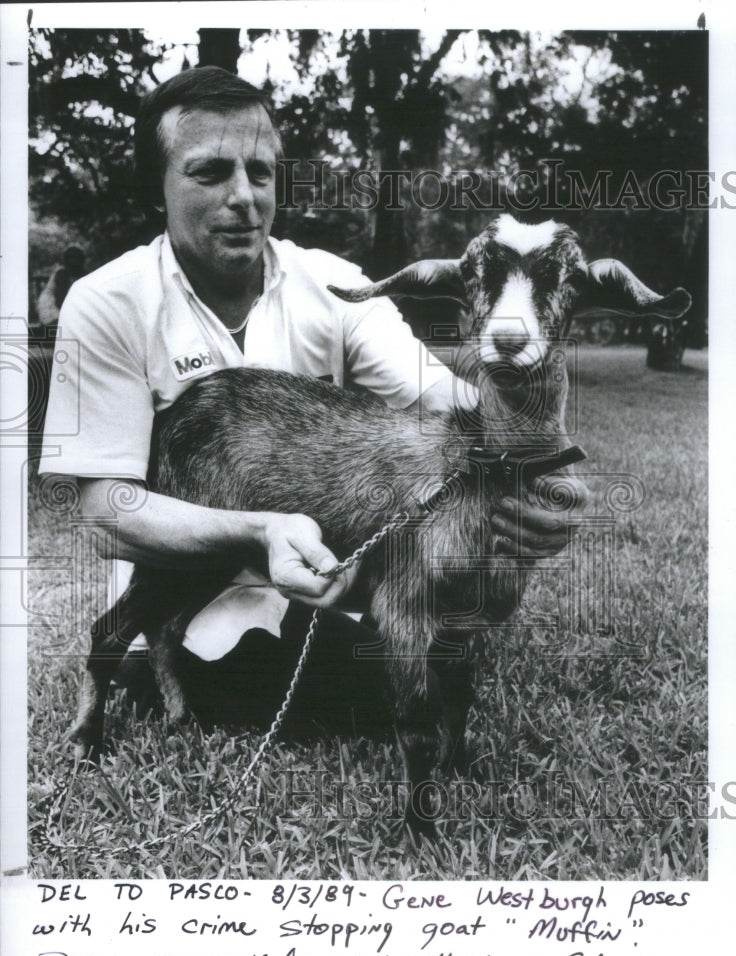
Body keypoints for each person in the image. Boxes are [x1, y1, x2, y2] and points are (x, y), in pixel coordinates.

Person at [40, 67, 580, 731]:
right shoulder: (108, 302)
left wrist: (539, 470)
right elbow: (105, 513)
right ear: (158, 187)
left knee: (420, 655)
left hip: (329, 573)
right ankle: (150, 666)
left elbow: (447, 397)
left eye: (261, 173)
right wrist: (256, 529)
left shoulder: (336, 286)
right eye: (210, 172)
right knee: (307, 691)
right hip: (198, 569)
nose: (244, 196)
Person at [36, 245, 86, 326]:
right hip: (58, 316)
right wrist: (56, 317)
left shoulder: (86, 277)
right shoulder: (59, 276)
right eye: (71, 258)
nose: (73, 261)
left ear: (81, 260)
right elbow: (46, 297)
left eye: (76, 258)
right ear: (66, 261)